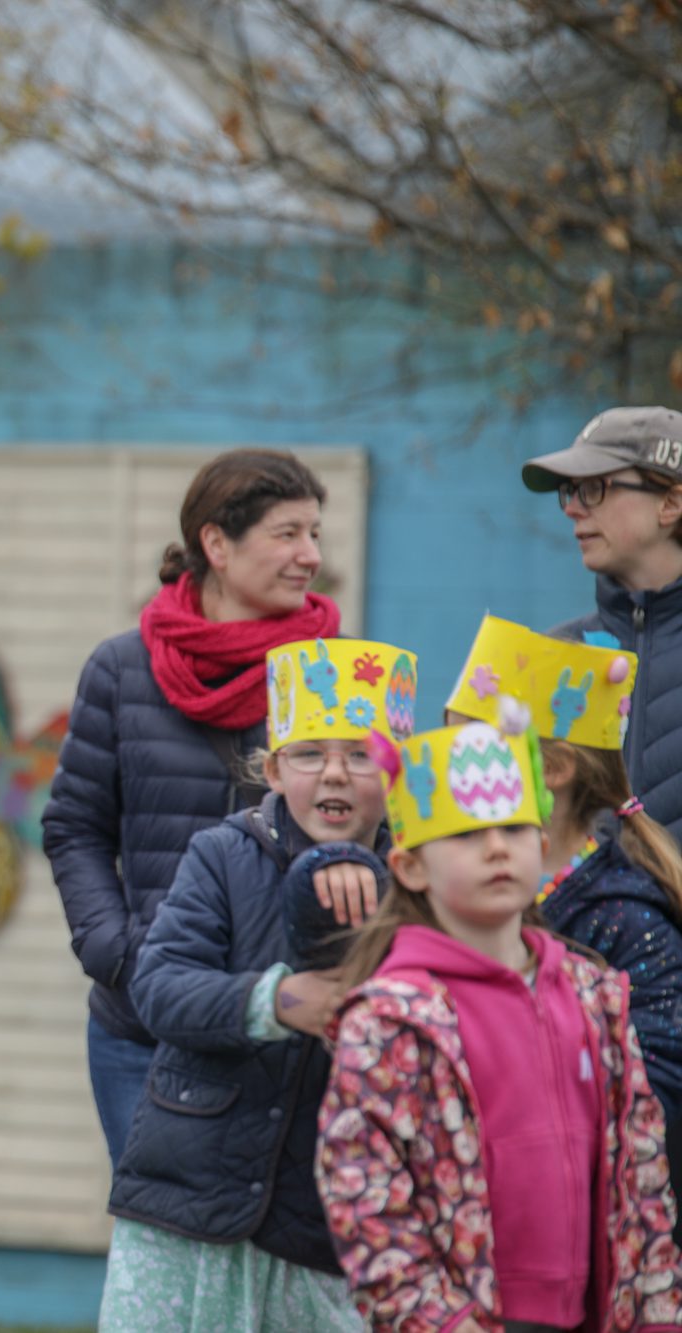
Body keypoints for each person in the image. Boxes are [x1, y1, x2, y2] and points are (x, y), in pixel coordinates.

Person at [318, 717, 682, 1332]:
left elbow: (642, 1176)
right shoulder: (391, 1020)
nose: (495, 848)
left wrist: (655, 1314)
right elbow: (367, 1198)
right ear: (409, 868)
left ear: (540, 845)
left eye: (513, 828)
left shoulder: (595, 998)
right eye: (466, 834)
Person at [99, 638, 415, 1330]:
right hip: (187, 1202)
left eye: (359, 755)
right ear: (273, 770)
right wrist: (273, 1001)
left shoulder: (415, 885)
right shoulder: (223, 854)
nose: (333, 774)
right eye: (309, 754)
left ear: (395, 772)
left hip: (323, 1220)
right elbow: (161, 986)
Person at [43, 448, 340, 1168]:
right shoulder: (122, 669)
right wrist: (118, 953)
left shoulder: (335, 673)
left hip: (287, 1027)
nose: (309, 556)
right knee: (158, 1251)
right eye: (288, 533)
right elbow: (74, 826)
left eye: (315, 534)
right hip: (139, 1030)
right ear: (216, 543)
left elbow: (378, 828)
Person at [442, 613, 682, 1172]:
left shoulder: (626, 920)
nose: (453, 770)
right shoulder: (453, 886)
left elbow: (660, 1085)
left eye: (473, 751)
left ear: (552, 769)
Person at [524, 406, 682, 843]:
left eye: (594, 488)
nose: (573, 509)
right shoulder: (551, 655)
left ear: (670, 503)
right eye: (570, 491)